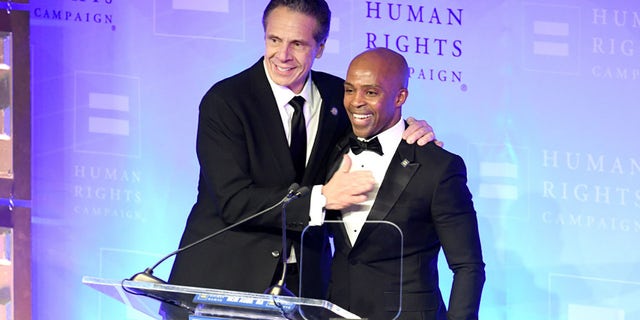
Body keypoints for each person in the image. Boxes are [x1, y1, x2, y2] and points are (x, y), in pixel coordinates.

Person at [165, 0, 438, 310]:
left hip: (306, 287)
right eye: (274, 40)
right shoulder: (226, 102)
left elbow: (379, 129)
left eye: (297, 43)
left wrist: (413, 131)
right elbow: (233, 201)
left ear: (319, 47)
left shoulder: (341, 96)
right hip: (223, 280)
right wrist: (320, 199)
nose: (282, 55)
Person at [322, 47, 485, 320]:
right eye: (350, 90)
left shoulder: (438, 167)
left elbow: (468, 267)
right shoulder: (334, 150)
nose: (355, 102)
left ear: (400, 96)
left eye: (371, 92)